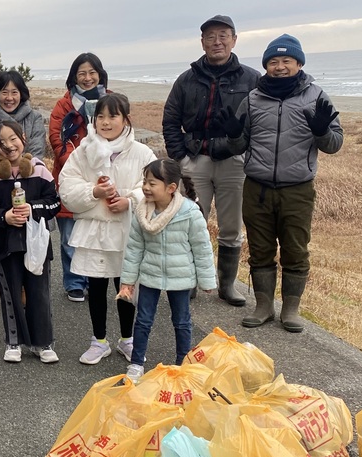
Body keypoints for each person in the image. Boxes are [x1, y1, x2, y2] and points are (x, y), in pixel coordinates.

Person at [221, 34, 343, 333]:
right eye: (273, 62)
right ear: (265, 66)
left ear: (299, 63)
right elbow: (238, 146)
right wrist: (235, 134)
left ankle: (291, 309)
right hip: (257, 187)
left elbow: (334, 144)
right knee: (260, 249)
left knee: (295, 249)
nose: (279, 67)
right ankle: (263, 306)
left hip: (297, 189)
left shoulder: (316, 97)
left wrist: (321, 131)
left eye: (286, 61)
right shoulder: (253, 98)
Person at [162, 15, 260, 306]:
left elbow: (259, 122)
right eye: (210, 37)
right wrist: (179, 156)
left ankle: (227, 285)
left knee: (231, 226)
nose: (217, 42)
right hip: (195, 161)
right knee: (190, 222)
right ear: (202, 42)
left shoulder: (251, 79)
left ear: (234, 40)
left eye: (223, 36)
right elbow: (170, 119)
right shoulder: (187, 79)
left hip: (234, 162)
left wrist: (243, 148)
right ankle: (189, 280)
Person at [59, 94, 157, 366]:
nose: (105, 122)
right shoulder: (83, 151)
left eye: (112, 116)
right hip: (95, 231)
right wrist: (94, 192)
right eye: (100, 116)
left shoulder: (141, 153)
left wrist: (130, 201)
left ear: (126, 119)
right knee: (97, 284)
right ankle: (98, 341)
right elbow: (66, 185)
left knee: (126, 286)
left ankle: (128, 339)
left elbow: (152, 185)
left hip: (127, 231)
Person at [119, 159, 216, 382]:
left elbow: (202, 248)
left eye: (152, 183)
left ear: (171, 188)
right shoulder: (142, 212)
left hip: (180, 278)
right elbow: (134, 248)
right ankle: (136, 363)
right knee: (143, 320)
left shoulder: (190, 212)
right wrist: (128, 280)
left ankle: (183, 363)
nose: (146, 188)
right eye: (145, 182)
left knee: (182, 321)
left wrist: (207, 281)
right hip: (150, 276)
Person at [0, 121, 61, 363]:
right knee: (10, 293)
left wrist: (32, 209)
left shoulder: (40, 170)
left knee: (39, 292)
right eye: (1, 143)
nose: (8, 146)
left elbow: (54, 202)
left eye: (13, 138)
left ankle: (43, 342)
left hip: (38, 244)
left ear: (23, 138)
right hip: (5, 244)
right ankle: (14, 342)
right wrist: (4, 217)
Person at [49, 53, 109, 303]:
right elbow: (56, 139)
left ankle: (95, 279)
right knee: (70, 236)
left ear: (100, 74)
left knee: (98, 234)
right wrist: (81, 167)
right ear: (74, 76)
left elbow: (119, 134)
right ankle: (74, 282)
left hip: (103, 178)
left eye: (92, 72)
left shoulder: (110, 102)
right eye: (82, 73)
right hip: (71, 177)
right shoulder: (64, 105)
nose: (87, 78)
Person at [0, 71, 47, 159]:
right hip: (0, 170)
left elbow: (38, 149)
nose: (9, 98)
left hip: (31, 170)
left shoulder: (34, 118)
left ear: (21, 94)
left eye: (14, 92)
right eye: (4, 92)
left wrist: (26, 166)